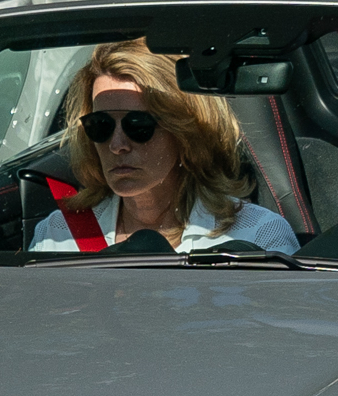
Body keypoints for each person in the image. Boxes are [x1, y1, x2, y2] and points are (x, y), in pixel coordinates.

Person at [30, 41, 300, 254]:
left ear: (185, 133)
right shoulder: (59, 236)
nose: (117, 145)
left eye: (138, 126)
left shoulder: (256, 236)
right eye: (100, 126)